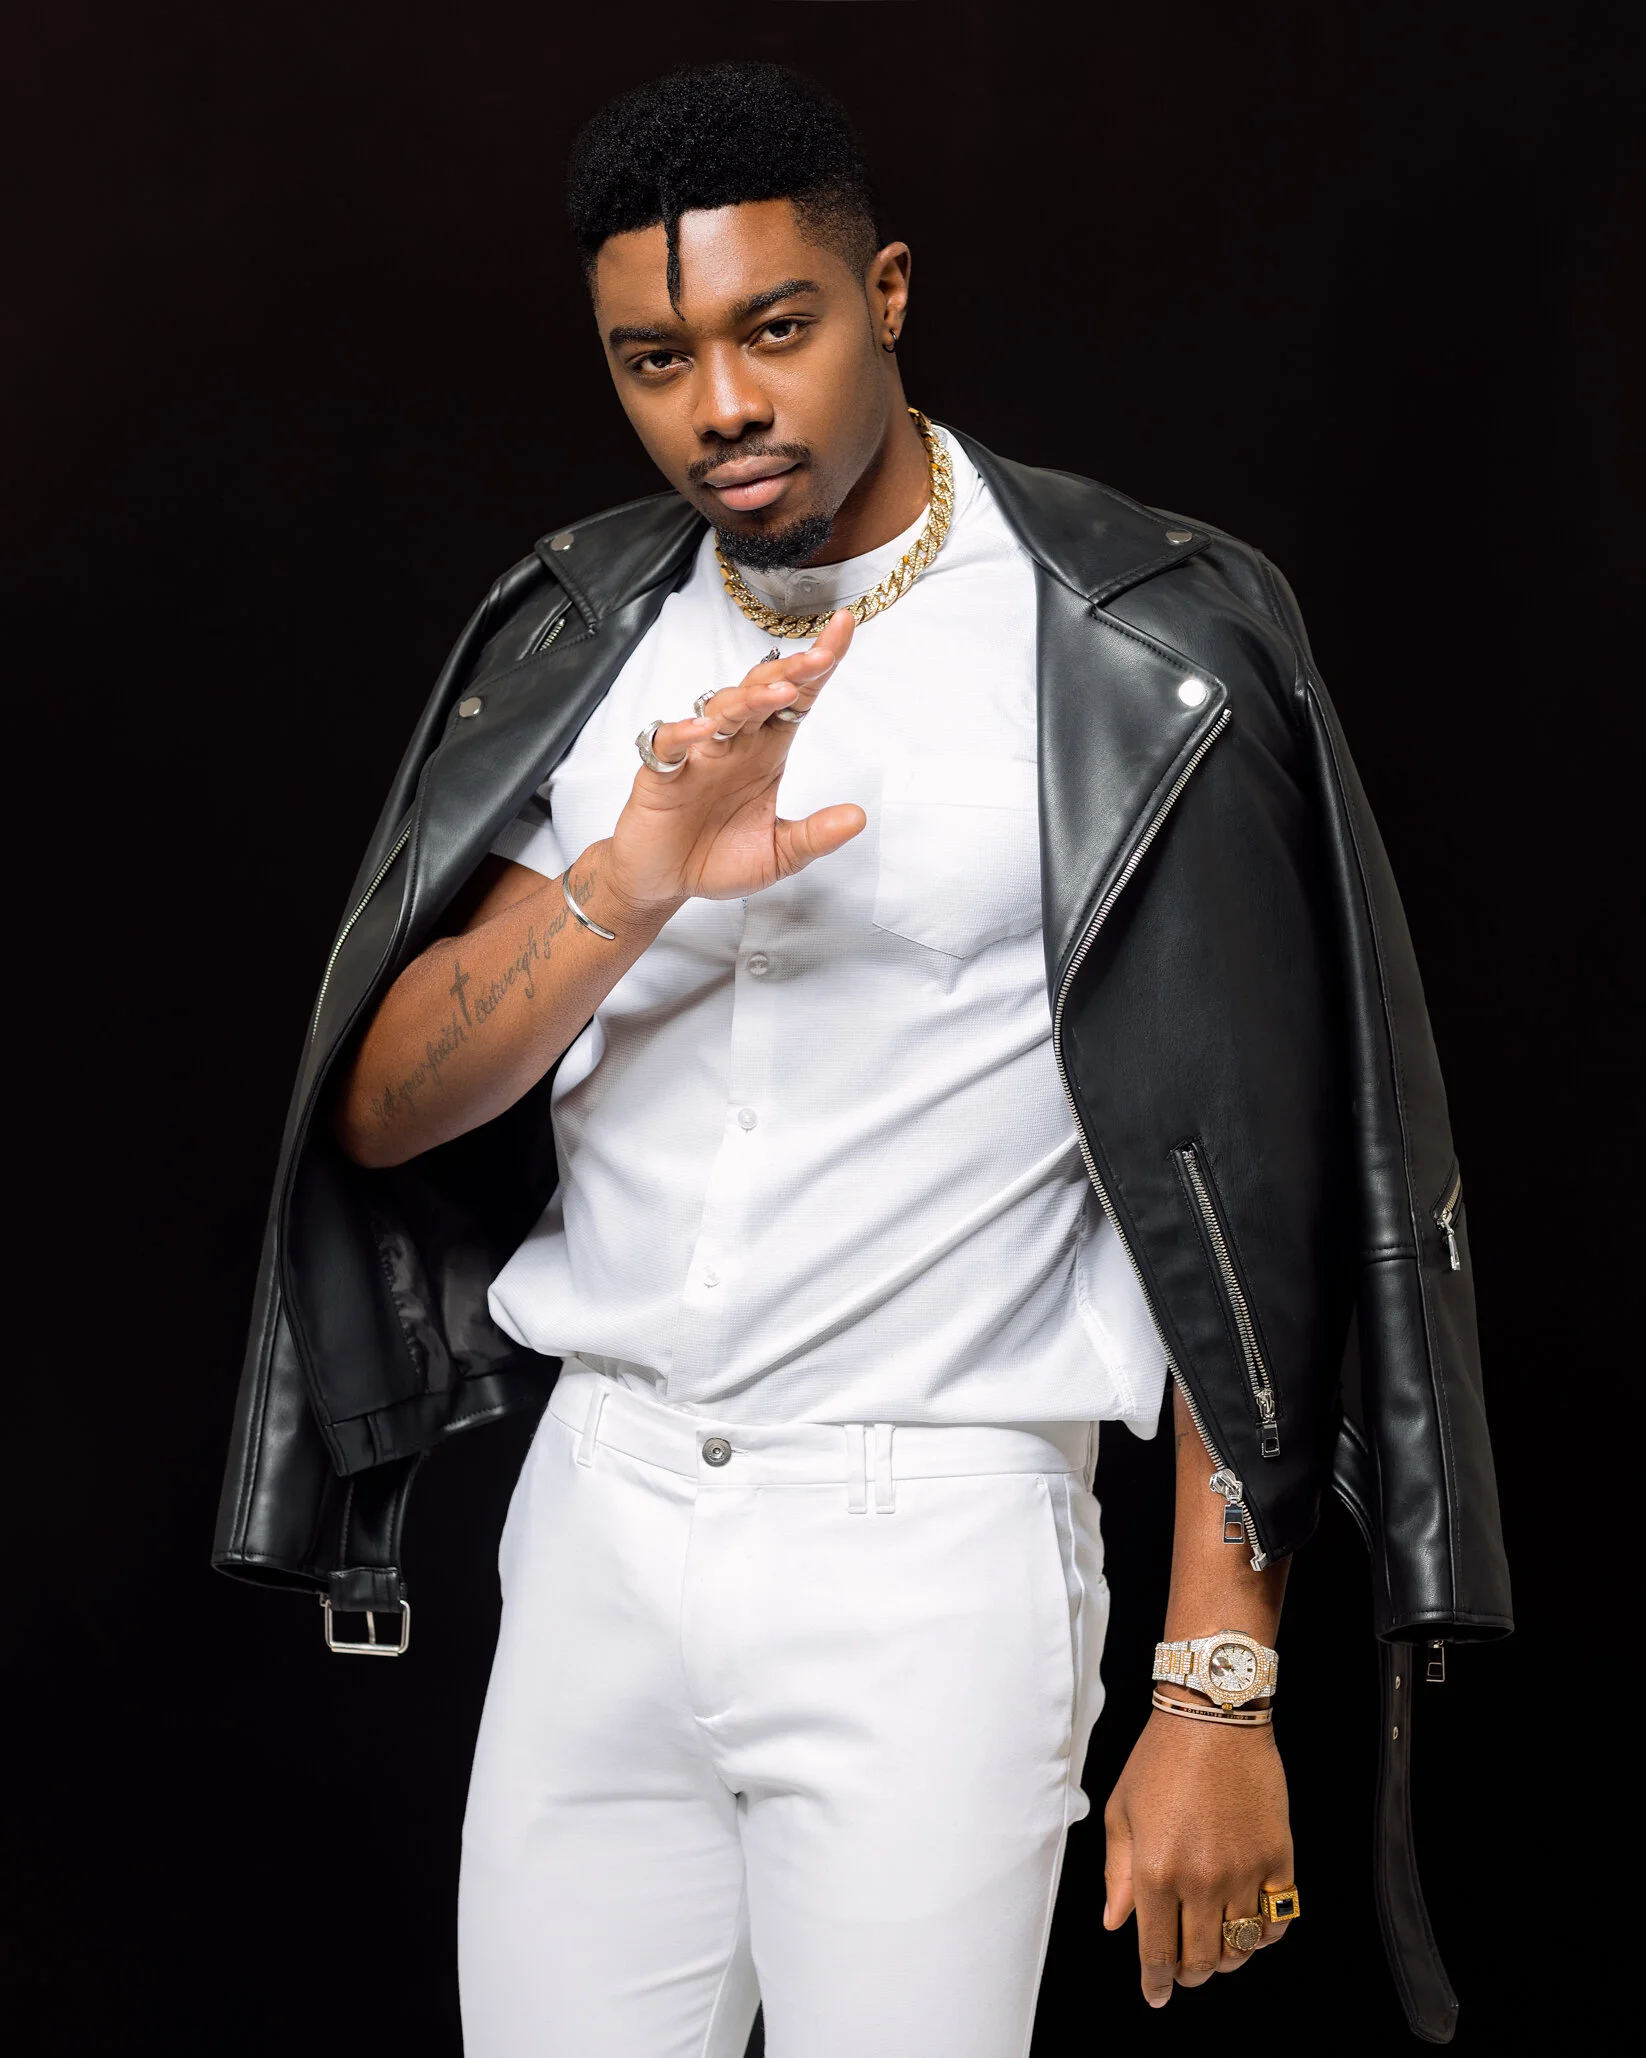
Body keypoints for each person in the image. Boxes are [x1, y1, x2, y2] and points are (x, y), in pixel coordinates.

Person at [214, 60, 1510, 2057]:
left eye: (772, 328)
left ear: (885, 292)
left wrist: (1214, 1686)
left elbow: (1244, 1194)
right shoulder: (583, 632)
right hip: (604, 1520)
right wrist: (629, 882)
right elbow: (382, 1105)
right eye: (652, 356)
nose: (717, 403)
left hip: (934, 1544)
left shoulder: (1134, 635)